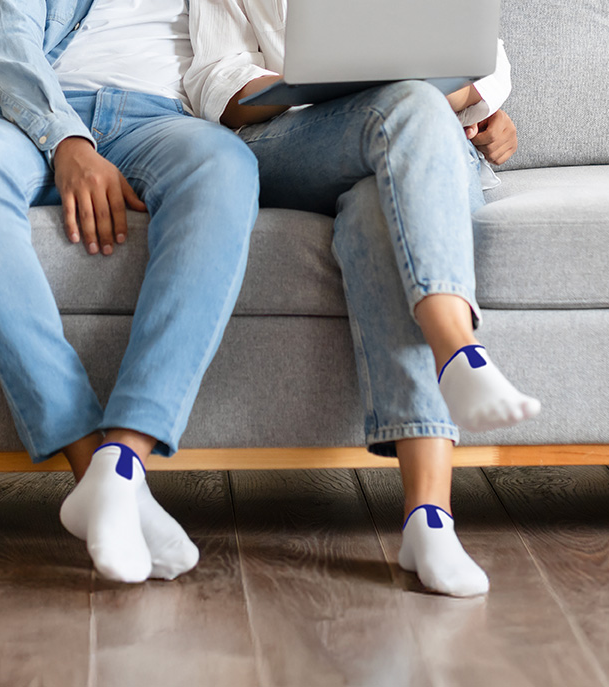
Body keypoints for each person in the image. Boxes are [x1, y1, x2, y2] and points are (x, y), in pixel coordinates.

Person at [0, 0, 261, 584]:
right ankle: (99, 474)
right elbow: (3, 34)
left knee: (226, 167)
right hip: (23, 114)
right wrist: (67, 141)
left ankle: (123, 460)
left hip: (169, 119)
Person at [185, 1, 540, 596]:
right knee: (409, 106)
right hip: (296, 143)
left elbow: (480, 62)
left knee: (383, 205)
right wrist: (338, 94)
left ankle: (428, 519)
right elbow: (217, 84)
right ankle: (458, 352)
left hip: (411, 143)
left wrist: (478, 108)